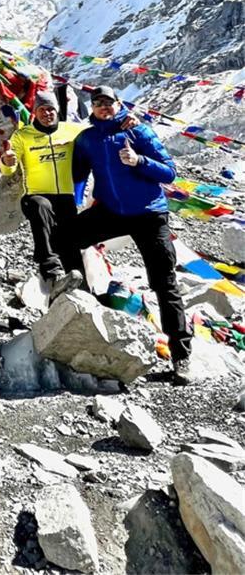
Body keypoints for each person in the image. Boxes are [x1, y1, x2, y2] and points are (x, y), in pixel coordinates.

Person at [72, 85, 193, 385]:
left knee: (164, 283)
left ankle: (181, 356)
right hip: (111, 211)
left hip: (149, 214)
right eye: (98, 103)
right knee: (66, 238)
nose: (103, 107)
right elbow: (78, 175)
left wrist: (139, 161)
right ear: (92, 107)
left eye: (108, 102)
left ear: (118, 104)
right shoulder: (87, 139)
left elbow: (169, 172)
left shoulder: (139, 132)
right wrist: (74, 203)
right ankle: (80, 309)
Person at [0, 89, 87, 301]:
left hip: (66, 197)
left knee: (69, 245)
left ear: (57, 111)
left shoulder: (72, 131)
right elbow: (8, 169)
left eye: (51, 109)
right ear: (35, 112)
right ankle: (52, 273)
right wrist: (7, 161)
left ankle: (81, 294)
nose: (47, 113)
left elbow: (99, 131)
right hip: (36, 196)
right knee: (41, 207)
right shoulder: (23, 135)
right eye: (42, 110)